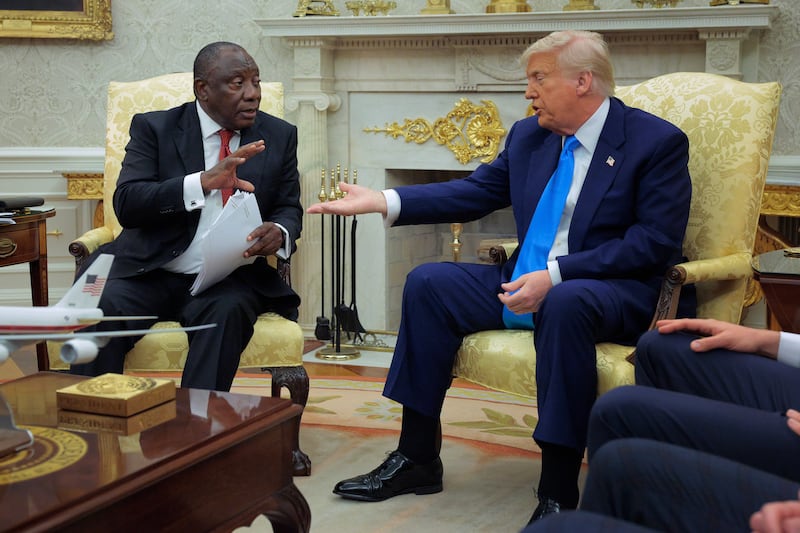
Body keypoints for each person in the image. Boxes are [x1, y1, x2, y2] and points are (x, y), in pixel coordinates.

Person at [307, 29, 694, 523]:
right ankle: (418, 457)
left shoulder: (654, 142)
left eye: (538, 78)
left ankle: (556, 493)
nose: (528, 92)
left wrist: (556, 276)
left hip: (612, 290)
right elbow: (475, 192)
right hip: (526, 278)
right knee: (429, 283)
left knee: (565, 301)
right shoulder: (530, 135)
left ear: (582, 81)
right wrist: (383, 201)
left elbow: (654, 243)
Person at [69, 41, 302, 392]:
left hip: (226, 280)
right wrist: (201, 183)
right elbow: (128, 203)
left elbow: (288, 206)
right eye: (238, 83)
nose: (253, 94)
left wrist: (280, 232)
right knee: (99, 306)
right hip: (147, 270)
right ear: (203, 89)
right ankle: (89, 423)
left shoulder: (279, 136)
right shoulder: (155, 129)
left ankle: (195, 430)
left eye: (256, 82)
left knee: (228, 313)